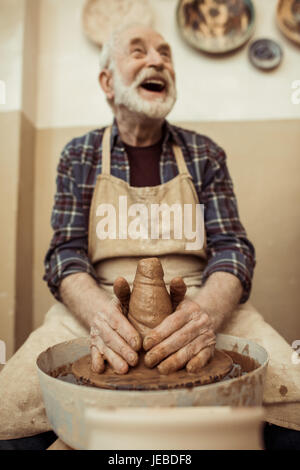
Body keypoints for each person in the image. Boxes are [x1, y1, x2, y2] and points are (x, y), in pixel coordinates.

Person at [0, 23, 299, 450]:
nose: (157, 60)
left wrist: (204, 315)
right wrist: (102, 316)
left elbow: (233, 249)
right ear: (107, 82)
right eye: (138, 51)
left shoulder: (204, 153)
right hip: (99, 303)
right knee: (11, 408)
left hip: (198, 298)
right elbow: (65, 256)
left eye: (165, 52)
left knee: (290, 399)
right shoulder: (79, 155)